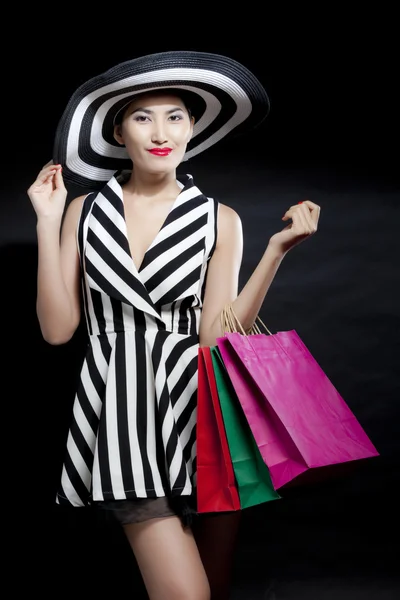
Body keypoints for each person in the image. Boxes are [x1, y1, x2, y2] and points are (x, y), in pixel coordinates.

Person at [27, 50, 321, 600]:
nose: (161, 131)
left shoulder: (218, 219)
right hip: (122, 412)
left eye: (175, 116)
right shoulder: (85, 210)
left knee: (215, 584)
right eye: (143, 117)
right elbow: (58, 330)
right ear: (119, 130)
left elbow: (215, 336)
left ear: (192, 128)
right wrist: (48, 222)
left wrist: (276, 251)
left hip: (203, 413)